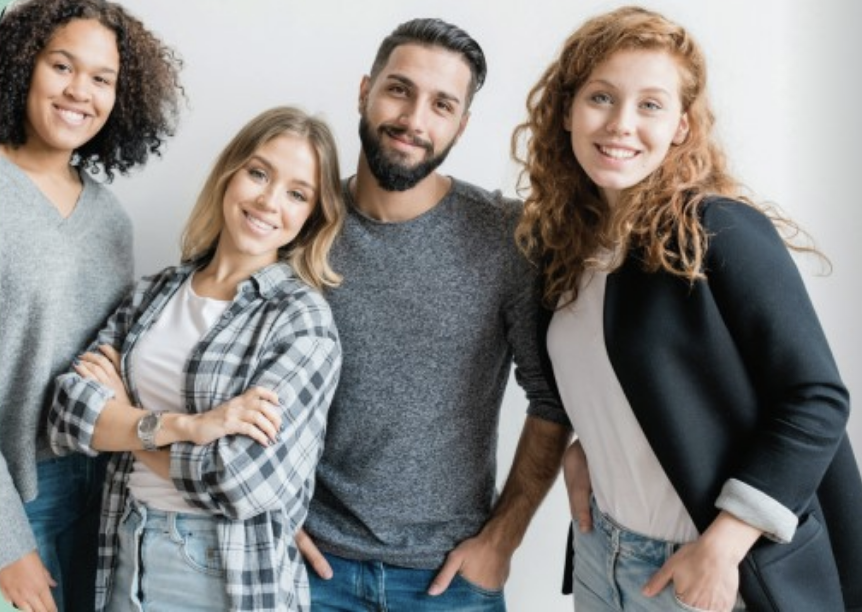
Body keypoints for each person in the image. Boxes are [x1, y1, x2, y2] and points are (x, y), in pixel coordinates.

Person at [512, 5, 862, 611]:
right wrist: (588, 444)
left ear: (680, 126)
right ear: (568, 109)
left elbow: (816, 398)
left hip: (699, 565)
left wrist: (724, 545)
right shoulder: (568, 250)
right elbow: (644, 383)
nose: (621, 123)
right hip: (601, 552)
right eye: (601, 97)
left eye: (650, 104)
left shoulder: (717, 230)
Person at [297, 17, 573, 611]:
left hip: (448, 581)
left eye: (442, 104)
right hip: (309, 568)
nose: (414, 120)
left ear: (462, 124)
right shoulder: (298, 222)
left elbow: (551, 400)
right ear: (365, 90)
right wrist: (269, 515)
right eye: (399, 89)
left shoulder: (507, 237)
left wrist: (504, 538)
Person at [47, 105, 345, 612]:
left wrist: (125, 425)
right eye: (259, 173)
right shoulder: (153, 293)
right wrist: (192, 426)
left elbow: (238, 481)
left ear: (311, 217)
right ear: (230, 174)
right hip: (124, 544)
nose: (269, 201)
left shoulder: (302, 322)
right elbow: (69, 412)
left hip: (222, 569)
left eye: (297, 193)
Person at [0, 0, 183, 609]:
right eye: (62, 66)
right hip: (15, 493)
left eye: (102, 79)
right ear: (23, 66)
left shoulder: (111, 220)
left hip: (101, 486)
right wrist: (8, 544)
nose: (80, 91)